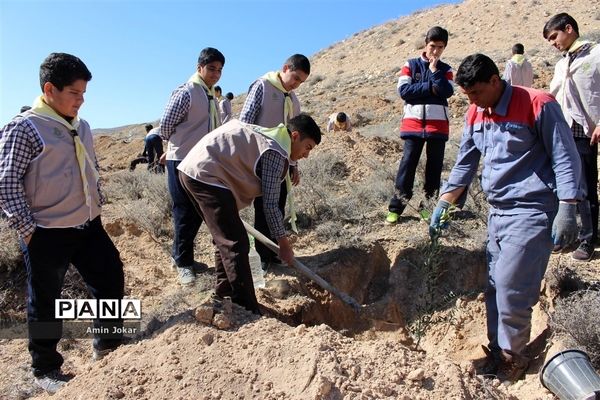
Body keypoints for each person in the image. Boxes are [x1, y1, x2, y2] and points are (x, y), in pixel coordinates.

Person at [429, 53, 581, 382]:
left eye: (477, 93)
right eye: (467, 96)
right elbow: (465, 163)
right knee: (496, 287)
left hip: (532, 209)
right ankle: (499, 351)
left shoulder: (537, 103)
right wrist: (445, 202)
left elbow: (565, 156)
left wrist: (568, 205)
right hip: (497, 213)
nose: (473, 101)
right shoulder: (475, 113)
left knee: (513, 287)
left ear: (495, 81)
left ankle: (514, 359)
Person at [0, 53, 125, 394]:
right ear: (50, 89)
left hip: (88, 225)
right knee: (45, 301)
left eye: (84, 94)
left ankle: (108, 344)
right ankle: (45, 368)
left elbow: (90, 168)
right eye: (74, 93)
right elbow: (7, 184)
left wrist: (95, 202)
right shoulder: (24, 128)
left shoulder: (81, 126)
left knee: (110, 276)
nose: (81, 101)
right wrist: (28, 232)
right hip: (46, 232)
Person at [178, 114, 321, 314]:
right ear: (295, 136)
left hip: (195, 171)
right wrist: (284, 244)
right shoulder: (274, 152)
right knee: (235, 242)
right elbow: (270, 206)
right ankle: (246, 307)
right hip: (206, 175)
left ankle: (225, 294)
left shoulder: (272, 139)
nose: (306, 155)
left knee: (226, 239)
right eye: (308, 147)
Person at [159, 47, 225, 285]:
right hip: (182, 160)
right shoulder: (187, 92)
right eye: (211, 69)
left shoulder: (211, 97)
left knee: (198, 212)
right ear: (199, 68)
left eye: (219, 70)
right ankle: (183, 263)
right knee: (184, 212)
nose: (215, 74)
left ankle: (182, 255)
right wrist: (176, 146)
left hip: (202, 162)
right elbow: (165, 125)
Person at [239, 54, 310, 269]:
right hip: (259, 159)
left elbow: (294, 136)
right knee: (264, 208)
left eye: (301, 82)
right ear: (285, 68)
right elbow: (245, 122)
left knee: (276, 206)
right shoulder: (262, 86)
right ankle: (262, 257)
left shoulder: (293, 100)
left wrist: (294, 165)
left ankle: (271, 254)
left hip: (283, 163)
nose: (296, 84)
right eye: (295, 78)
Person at [544, 13, 600, 261]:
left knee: (586, 187)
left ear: (569, 29)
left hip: (587, 132)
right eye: (549, 40)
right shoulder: (560, 64)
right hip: (563, 131)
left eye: (554, 36)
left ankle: (589, 239)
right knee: (565, 184)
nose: (553, 43)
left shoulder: (596, 55)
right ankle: (566, 234)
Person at [386, 26, 454, 225]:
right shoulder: (411, 65)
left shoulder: (446, 69)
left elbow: (446, 91)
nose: (435, 51)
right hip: (413, 125)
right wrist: (429, 87)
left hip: (437, 127)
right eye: (432, 46)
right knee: (407, 166)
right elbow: (404, 91)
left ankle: (429, 207)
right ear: (426, 44)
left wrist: (434, 73)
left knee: (434, 169)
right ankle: (396, 209)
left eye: (440, 47)